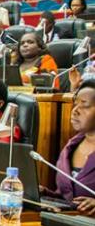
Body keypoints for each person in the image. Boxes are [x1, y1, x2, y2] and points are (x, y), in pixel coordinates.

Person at [40, 80, 95, 215]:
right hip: (67, 224)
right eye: (75, 104)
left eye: (84, 106)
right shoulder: (71, 146)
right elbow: (67, 197)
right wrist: (46, 193)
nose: (75, 111)